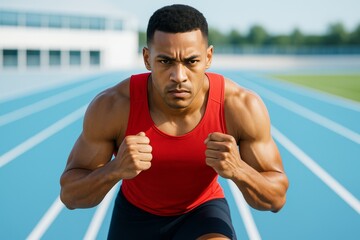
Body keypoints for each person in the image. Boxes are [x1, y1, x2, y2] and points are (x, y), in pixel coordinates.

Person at [60, 4, 289, 240]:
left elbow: (276, 200)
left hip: (202, 211)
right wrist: (114, 169)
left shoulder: (240, 106)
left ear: (208, 57)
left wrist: (239, 170)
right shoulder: (113, 106)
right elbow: (70, 196)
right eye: (165, 61)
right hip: (135, 216)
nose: (179, 77)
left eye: (191, 62)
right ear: (147, 59)